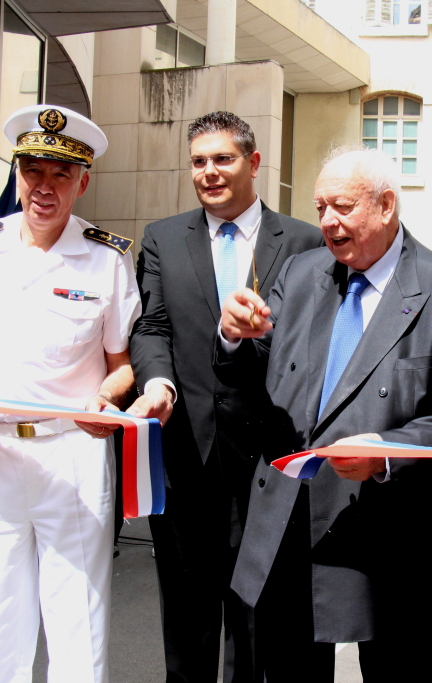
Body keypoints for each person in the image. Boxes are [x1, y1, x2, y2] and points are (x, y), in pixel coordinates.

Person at [215, 147, 432, 682]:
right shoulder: (301, 273)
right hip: (290, 529)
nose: (325, 222)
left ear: (386, 205)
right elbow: (256, 370)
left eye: (341, 206)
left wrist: (387, 455)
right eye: (319, 207)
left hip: (390, 542)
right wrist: (232, 336)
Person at [0, 104, 140, 683]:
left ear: (82, 182)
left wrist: (108, 398)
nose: (45, 187)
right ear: (17, 172)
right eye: (33, 171)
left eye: (60, 174)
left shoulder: (108, 259)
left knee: (78, 622)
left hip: (70, 452)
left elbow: (122, 364)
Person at [126, 111, 323, 683]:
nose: (208, 172)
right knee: (187, 612)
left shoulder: (305, 241)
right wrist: (156, 382)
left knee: (258, 616)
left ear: (254, 163)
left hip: (270, 456)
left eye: (223, 159)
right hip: (188, 452)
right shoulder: (163, 237)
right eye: (198, 161)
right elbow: (152, 327)